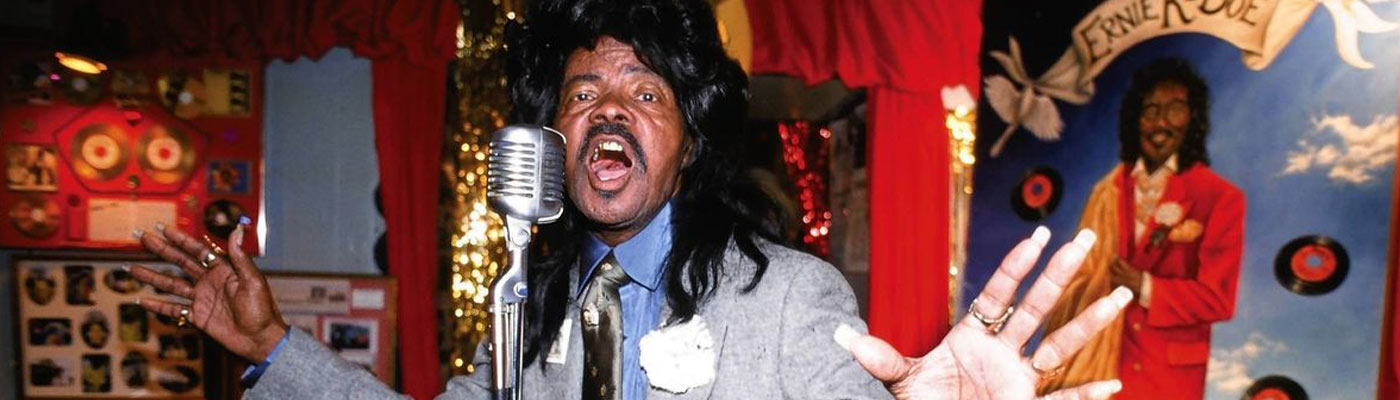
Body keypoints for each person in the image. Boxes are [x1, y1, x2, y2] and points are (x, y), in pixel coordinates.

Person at [126, 1, 1132, 399]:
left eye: (645, 93)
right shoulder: (528, 311)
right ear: (557, 141)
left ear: (686, 146)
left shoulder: (792, 296)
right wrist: (274, 347)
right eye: (582, 93)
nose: (608, 107)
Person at [1038, 58, 1245, 399]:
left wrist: (1145, 286)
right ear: (1135, 121)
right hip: (1097, 366)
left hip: (1168, 378)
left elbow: (1218, 300)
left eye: (1175, 109)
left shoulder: (1220, 197)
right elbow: (1082, 275)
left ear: (1193, 118)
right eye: (1150, 110)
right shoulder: (1108, 191)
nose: (1160, 122)